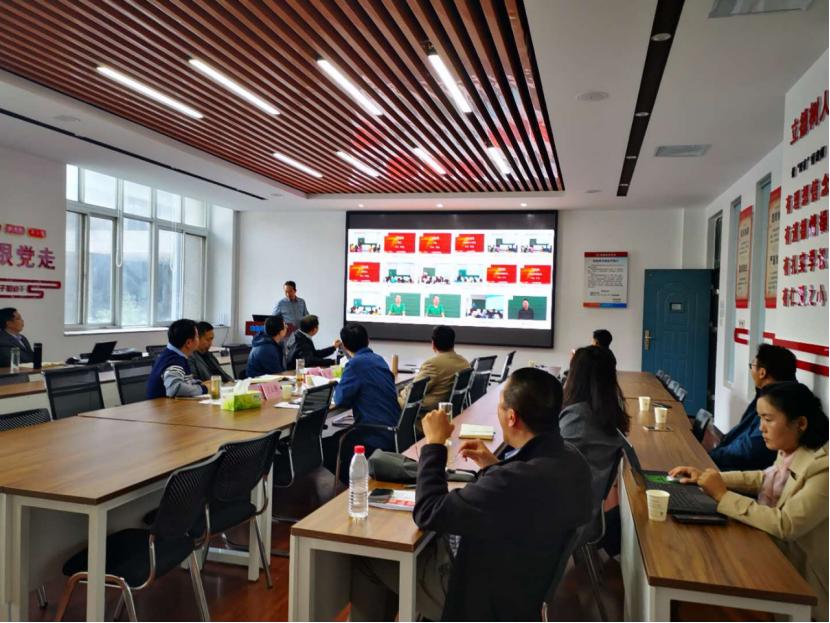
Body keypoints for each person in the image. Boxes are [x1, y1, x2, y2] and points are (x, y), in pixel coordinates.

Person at [350, 368, 593, 621]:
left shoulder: (512, 482)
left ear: (512, 417)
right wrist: (493, 466)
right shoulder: (573, 462)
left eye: (500, 406)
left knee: (369, 558)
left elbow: (428, 512)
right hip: (522, 589)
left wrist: (434, 445)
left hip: (479, 596)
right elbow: (521, 499)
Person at [670, 382, 828, 621]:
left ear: (801, 423)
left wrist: (723, 496)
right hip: (771, 554)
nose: (761, 428)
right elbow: (762, 478)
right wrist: (706, 477)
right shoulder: (791, 448)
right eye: (760, 418)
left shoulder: (823, 468)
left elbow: (786, 524)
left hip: (799, 582)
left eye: (768, 419)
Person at [325, 323, 400, 481]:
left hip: (374, 434)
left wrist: (337, 385)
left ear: (345, 346)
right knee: (337, 438)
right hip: (394, 430)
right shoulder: (379, 359)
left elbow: (340, 399)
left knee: (325, 448)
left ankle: (356, 484)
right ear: (368, 340)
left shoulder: (354, 365)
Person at [709, 344, 796, 471]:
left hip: (745, 471)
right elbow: (742, 430)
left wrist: (713, 456)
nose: (751, 370)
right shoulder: (767, 393)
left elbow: (750, 448)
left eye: (752, 366)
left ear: (762, 373)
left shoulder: (779, 403)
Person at [399, 326, 469, 413]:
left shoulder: (433, 364)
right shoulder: (464, 363)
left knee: (391, 396)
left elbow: (412, 393)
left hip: (424, 414)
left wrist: (401, 392)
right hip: (447, 413)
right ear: (453, 343)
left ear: (433, 344)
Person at [146, 319, 207, 399]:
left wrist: (198, 384)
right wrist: (203, 389)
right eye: (197, 337)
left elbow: (184, 381)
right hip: (163, 405)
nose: (199, 340)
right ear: (188, 343)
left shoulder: (174, 355)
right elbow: (175, 389)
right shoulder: (173, 361)